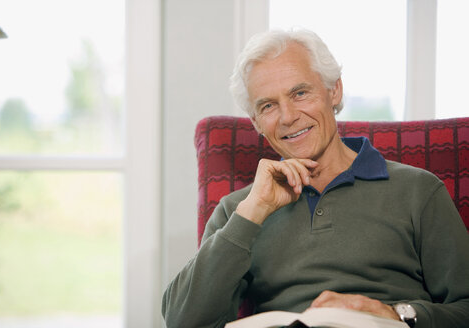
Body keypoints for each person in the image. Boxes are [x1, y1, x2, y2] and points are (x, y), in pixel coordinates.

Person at [162, 29, 469, 328]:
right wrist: (252, 212)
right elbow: (183, 321)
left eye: (300, 93)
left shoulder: (418, 190)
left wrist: (396, 314)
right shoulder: (239, 210)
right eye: (268, 106)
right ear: (256, 122)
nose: (287, 117)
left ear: (334, 91)